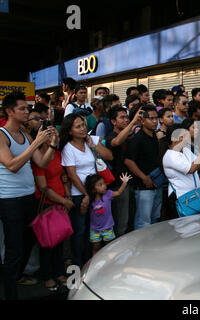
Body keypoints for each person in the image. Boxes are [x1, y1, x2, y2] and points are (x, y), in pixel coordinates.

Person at [0, 92, 57, 300]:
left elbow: (41, 162)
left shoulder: (25, 134)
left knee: (30, 241)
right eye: (23, 108)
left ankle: (14, 277)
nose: (27, 112)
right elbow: (12, 165)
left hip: (27, 197)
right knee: (14, 248)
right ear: (9, 111)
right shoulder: (1, 134)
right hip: (9, 199)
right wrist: (36, 143)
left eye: (27, 108)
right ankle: (10, 293)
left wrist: (51, 144)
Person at [60, 113, 113, 268]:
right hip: (79, 195)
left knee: (94, 231)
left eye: (83, 125)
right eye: (78, 126)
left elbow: (109, 156)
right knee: (80, 231)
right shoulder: (68, 148)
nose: (83, 129)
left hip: (96, 194)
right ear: (70, 131)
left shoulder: (91, 140)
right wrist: (85, 194)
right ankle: (78, 265)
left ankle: (92, 262)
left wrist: (93, 145)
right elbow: (72, 174)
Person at [32, 128, 72, 292]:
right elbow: (43, 187)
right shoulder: (39, 158)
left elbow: (63, 177)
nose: (54, 138)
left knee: (59, 240)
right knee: (47, 243)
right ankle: (47, 276)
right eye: (50, 136)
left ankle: (59, 272)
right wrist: (63, 200)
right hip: (48, 203)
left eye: (55, 135)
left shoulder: (57, 154)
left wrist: (67, 196)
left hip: (61, 203)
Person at [105, 105, 143, 236]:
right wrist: (133, 123)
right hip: (119, 183)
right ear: (113, 121)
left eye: (127, 117)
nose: (126, 120)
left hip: (132, 181)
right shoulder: (111, 135)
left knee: (132, 217)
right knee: (122, 220)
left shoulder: (130, 135)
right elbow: (116, 142)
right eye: (122, 117)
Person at [124, 106, 162, 229]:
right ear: (143, 121)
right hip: (143, 186)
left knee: (154, 217)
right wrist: (144, 177)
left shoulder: (154, 136)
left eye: (156, 118)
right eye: (151, 118)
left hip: (156, 183)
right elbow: (128, 161)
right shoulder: (138, 138)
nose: (155, 121)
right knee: (143, 221)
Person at [162, 124, 200, 218]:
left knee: (196, 226)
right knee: (184, 228)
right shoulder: (170, 155)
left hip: (194, 195)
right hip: (182, 197)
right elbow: (191, 169)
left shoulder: (186, 150)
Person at [84, 172, 132, 256]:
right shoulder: (90, 200)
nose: (104, 186)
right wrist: (83, 206)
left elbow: (119, 192)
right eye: (100, 185)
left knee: (109, 248)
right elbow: (83, 212)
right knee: (96, 248)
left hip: (108, 228)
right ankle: (95, 265)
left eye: (103, 183)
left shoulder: (108, 194)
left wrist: (124, 182)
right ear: (93, 189)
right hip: (95, 230)